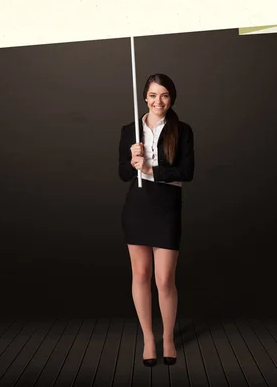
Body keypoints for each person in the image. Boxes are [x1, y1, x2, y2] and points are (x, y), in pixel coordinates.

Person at [118, 73, 194, 367]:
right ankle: (149, 338)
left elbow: (187, 172)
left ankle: (169, 338)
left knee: (164, 280)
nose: (157, 101)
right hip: (137, 207)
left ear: (171, 98)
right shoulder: (130, 130)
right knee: (140, 275)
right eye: (152, 95)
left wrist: (151, 169)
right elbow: (123, 174)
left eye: (164, 95)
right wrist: (132, 160)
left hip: (166, 207)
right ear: (145, 97)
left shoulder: (183, 130)